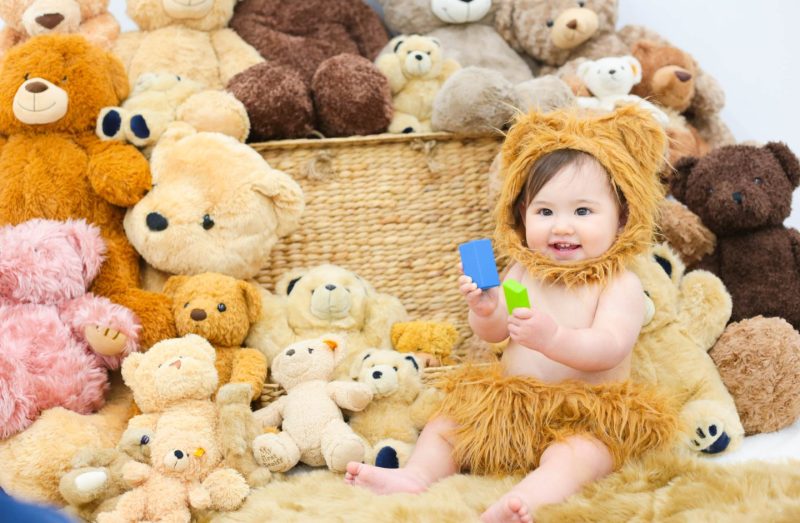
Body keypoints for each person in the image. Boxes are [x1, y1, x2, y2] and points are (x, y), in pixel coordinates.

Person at [344, 106, 679, 523]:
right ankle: (416, 475)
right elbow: (499, 329)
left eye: (582, 212)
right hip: (512, 406)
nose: (561, 227)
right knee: (449, 421)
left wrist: (554, 339)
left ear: (622, 218)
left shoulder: (617, 284)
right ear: (521, 215)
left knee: (579, 455)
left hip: (585, 414)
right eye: (545, 212)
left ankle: (524, 500)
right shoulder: (523, 272)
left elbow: (610, 346)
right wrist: (486, 309)